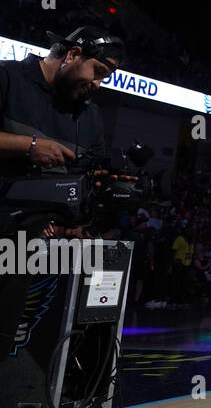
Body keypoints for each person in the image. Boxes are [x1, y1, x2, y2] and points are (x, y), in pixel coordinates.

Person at [0, 27, 121, 358]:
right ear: (72, 54)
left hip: (42, 241)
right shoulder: (8, 77)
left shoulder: (89, 116)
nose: (98, 84)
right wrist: (29, 146)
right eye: (98, 73)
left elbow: (87, 178)